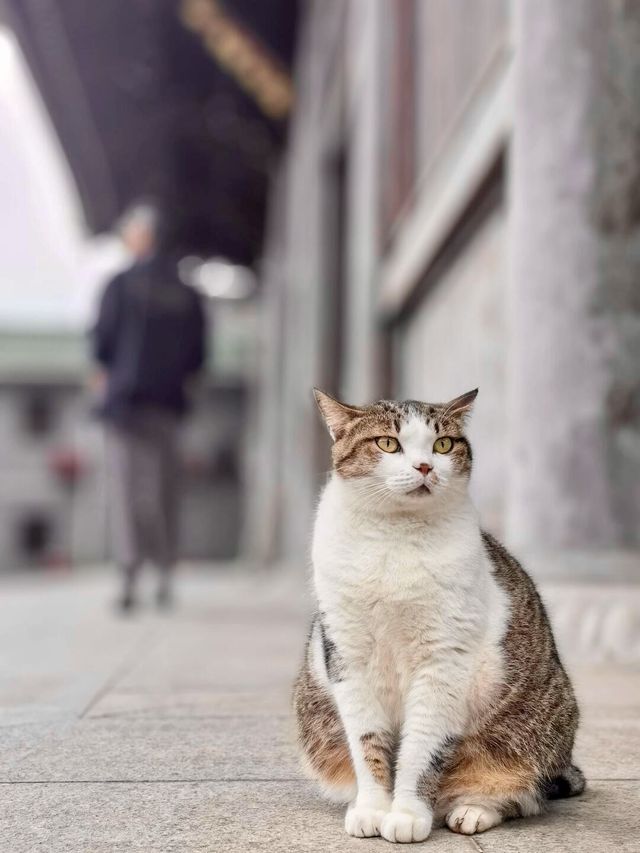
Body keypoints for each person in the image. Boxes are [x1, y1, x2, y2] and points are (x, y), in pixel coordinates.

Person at [90, 204, 206, 611]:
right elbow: (198, 356)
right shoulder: (188, 292)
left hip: (124, 405)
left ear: (140, 237)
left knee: (126, 491)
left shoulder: (118, 285)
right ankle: (165, 572)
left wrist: (103, 381)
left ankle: (129, 572)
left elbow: (102, 344)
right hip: (169, 405)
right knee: (164, 490)